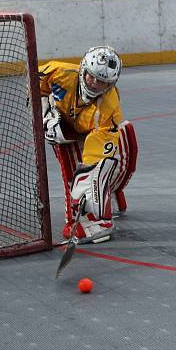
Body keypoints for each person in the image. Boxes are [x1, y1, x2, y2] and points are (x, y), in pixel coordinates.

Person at [40, 46, 139, 243]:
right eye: (92, 76)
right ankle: (87, 214)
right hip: (63, 129)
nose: (94, 84)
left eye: (102, 81)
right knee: (69, 164)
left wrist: (89, 184)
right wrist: (44, 109)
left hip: (91, 133)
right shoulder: (59, 72)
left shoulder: (109, 106)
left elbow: (97, 157)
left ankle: (102, 209)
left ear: (111, 84)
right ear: (83, 69)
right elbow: (34, 84)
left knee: (100, 167)